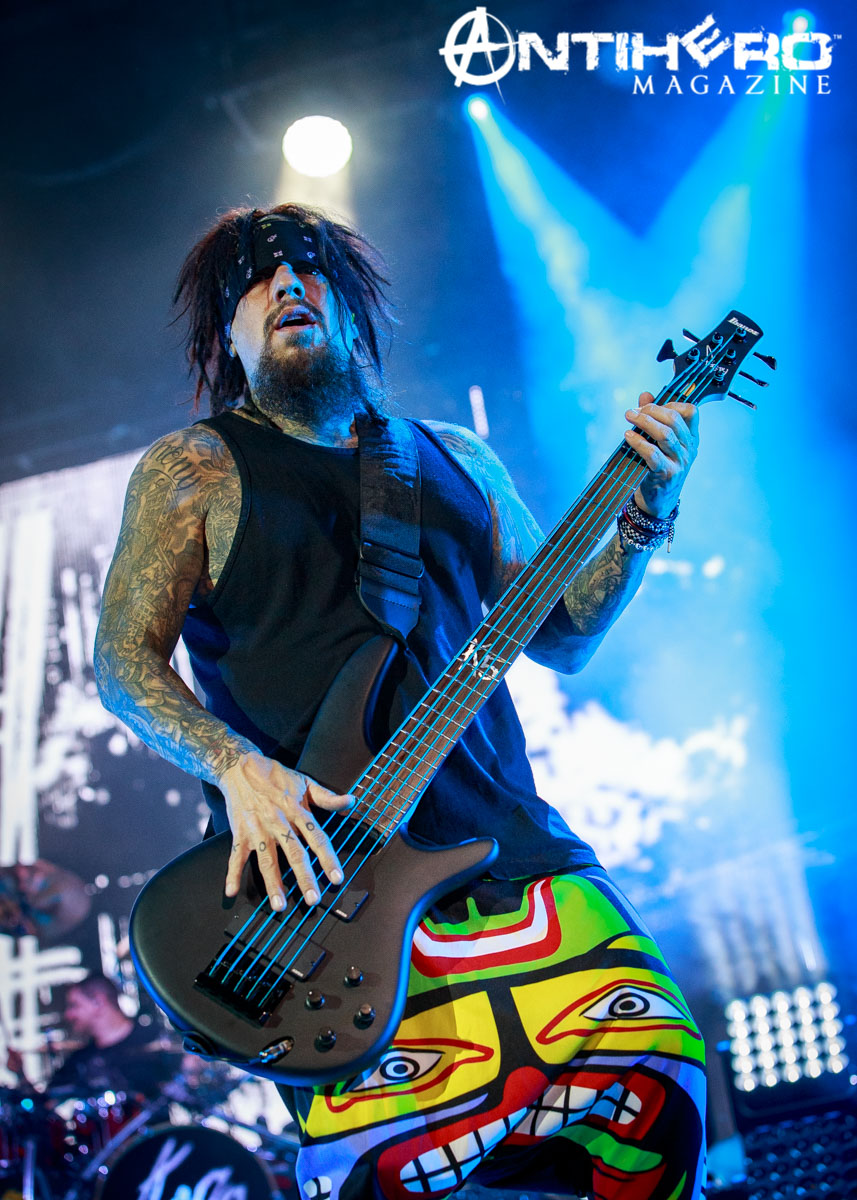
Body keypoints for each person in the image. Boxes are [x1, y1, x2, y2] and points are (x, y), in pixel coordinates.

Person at [94, 203, 707, 1199]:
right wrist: (236, 768)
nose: (286, 285)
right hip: (321, 899)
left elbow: (563, 635)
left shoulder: (456, 457)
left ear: (351, 304)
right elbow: (123, 662)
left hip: (509, 852)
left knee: (661, 1085)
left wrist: (648, 510)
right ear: (225, 333)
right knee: (382, 1170)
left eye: (308, 267)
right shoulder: (194, 468)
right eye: (254, 279)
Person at [6, 974, 173, 1099]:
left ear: (98, 1002)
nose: (68, 1014)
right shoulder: (80, 1060)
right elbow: (46, 1104)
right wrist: (21, 1074)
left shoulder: (156, 1039)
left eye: (74, 1005)